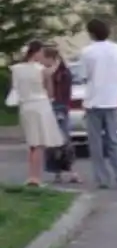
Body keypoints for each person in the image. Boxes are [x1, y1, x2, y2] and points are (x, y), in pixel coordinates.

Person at [81, 19, 117, 190]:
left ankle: (102, 178)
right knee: (114, 139)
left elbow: (84, 75)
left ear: (92, 33)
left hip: (94, 100)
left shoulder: (87, 52)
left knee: (95, 142)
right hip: (111, 98)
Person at [10, 40, 64, 186]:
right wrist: (54, 67)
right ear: (37, 52)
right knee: (39, 144)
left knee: (31, 143)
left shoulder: (16, 69)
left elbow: (16, 88)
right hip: (40, 106)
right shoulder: (41, 70)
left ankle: (31, 175)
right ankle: (36, 177)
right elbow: (50, 92)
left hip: (25, 106)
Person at [42, 46, 80, 185]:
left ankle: (71, 172)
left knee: (64, 141)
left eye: (45, 59)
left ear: (52, 59)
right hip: (50, 108)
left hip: (59, 107)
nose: (42, 62)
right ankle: (57, 173)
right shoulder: (48, 71)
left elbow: (61, 93)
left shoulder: (62, 73)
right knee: (52, 143)